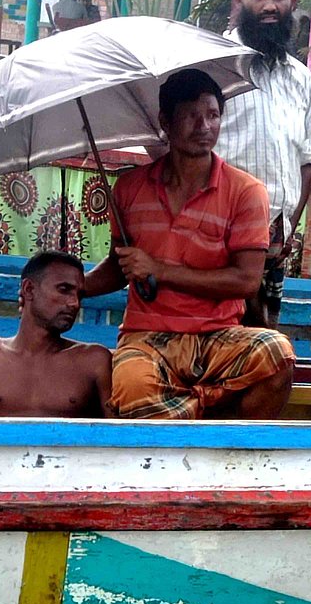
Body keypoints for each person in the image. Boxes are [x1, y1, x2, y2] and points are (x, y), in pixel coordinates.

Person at [84, 68, 295, 419]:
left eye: (213, 115)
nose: (204, 126)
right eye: (191, 116)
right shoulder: (129, 188)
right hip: (146, 338)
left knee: (277, 354)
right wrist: (75, 286)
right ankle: (204, 414)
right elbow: (119, 267)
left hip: (219, 337)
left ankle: (211, 433)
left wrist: (160, 270)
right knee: (133, 389)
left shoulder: (246, 191)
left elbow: (246, 281)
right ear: (165, 121)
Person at [213, 0, 311, 329]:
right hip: (218, 238)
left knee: (262, 344)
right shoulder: (213, 66)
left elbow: (306, 159)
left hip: (275, 240)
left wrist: (289, 225)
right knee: (218, 343)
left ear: (293, 1)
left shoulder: (300, 78)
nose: (269, 6)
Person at [0, 251, 112, 417]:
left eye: (80, 295)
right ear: (28, 289)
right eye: (64, 289)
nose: (74, 303)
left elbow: (120, 433)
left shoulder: (94, 360)